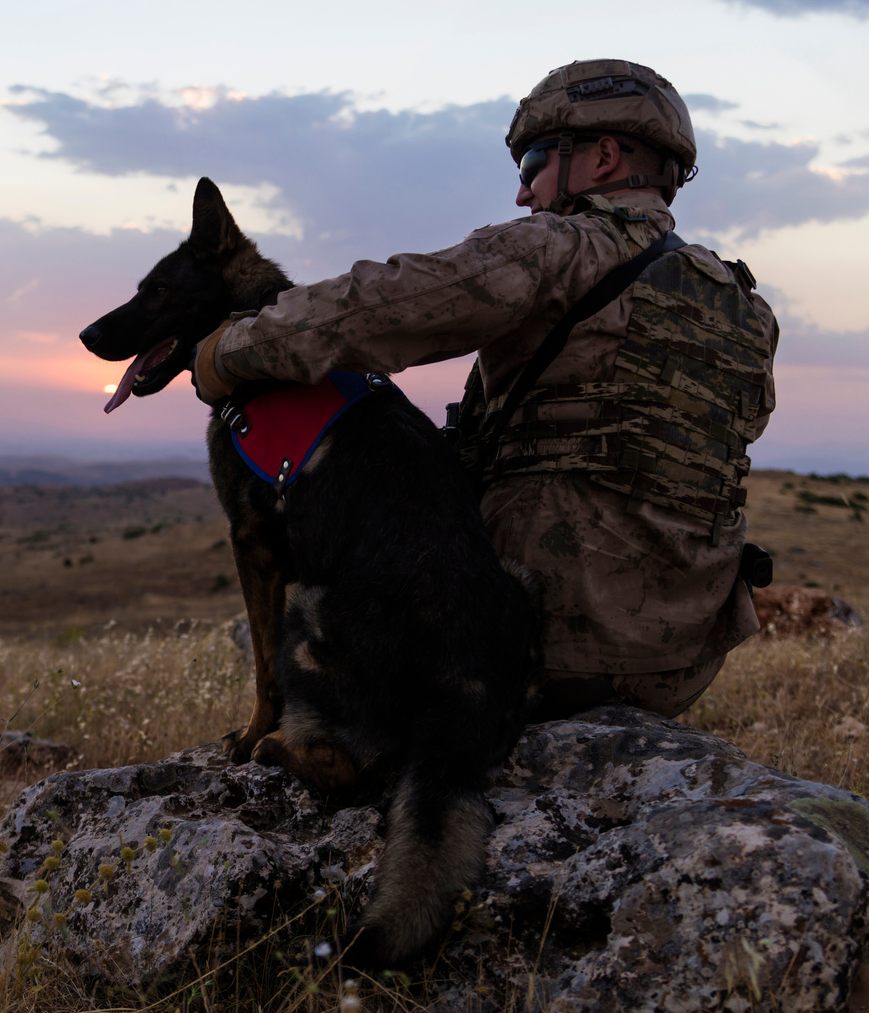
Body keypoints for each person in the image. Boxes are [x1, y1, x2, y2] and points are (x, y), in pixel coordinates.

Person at [191, 59, 780, 721]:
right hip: (681, 664)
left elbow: (384, 306)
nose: (524, 194)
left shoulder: (557, 248)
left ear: (605, 156)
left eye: (531, 164)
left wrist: (231, 350)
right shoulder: (745, 306)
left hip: (537, 645)